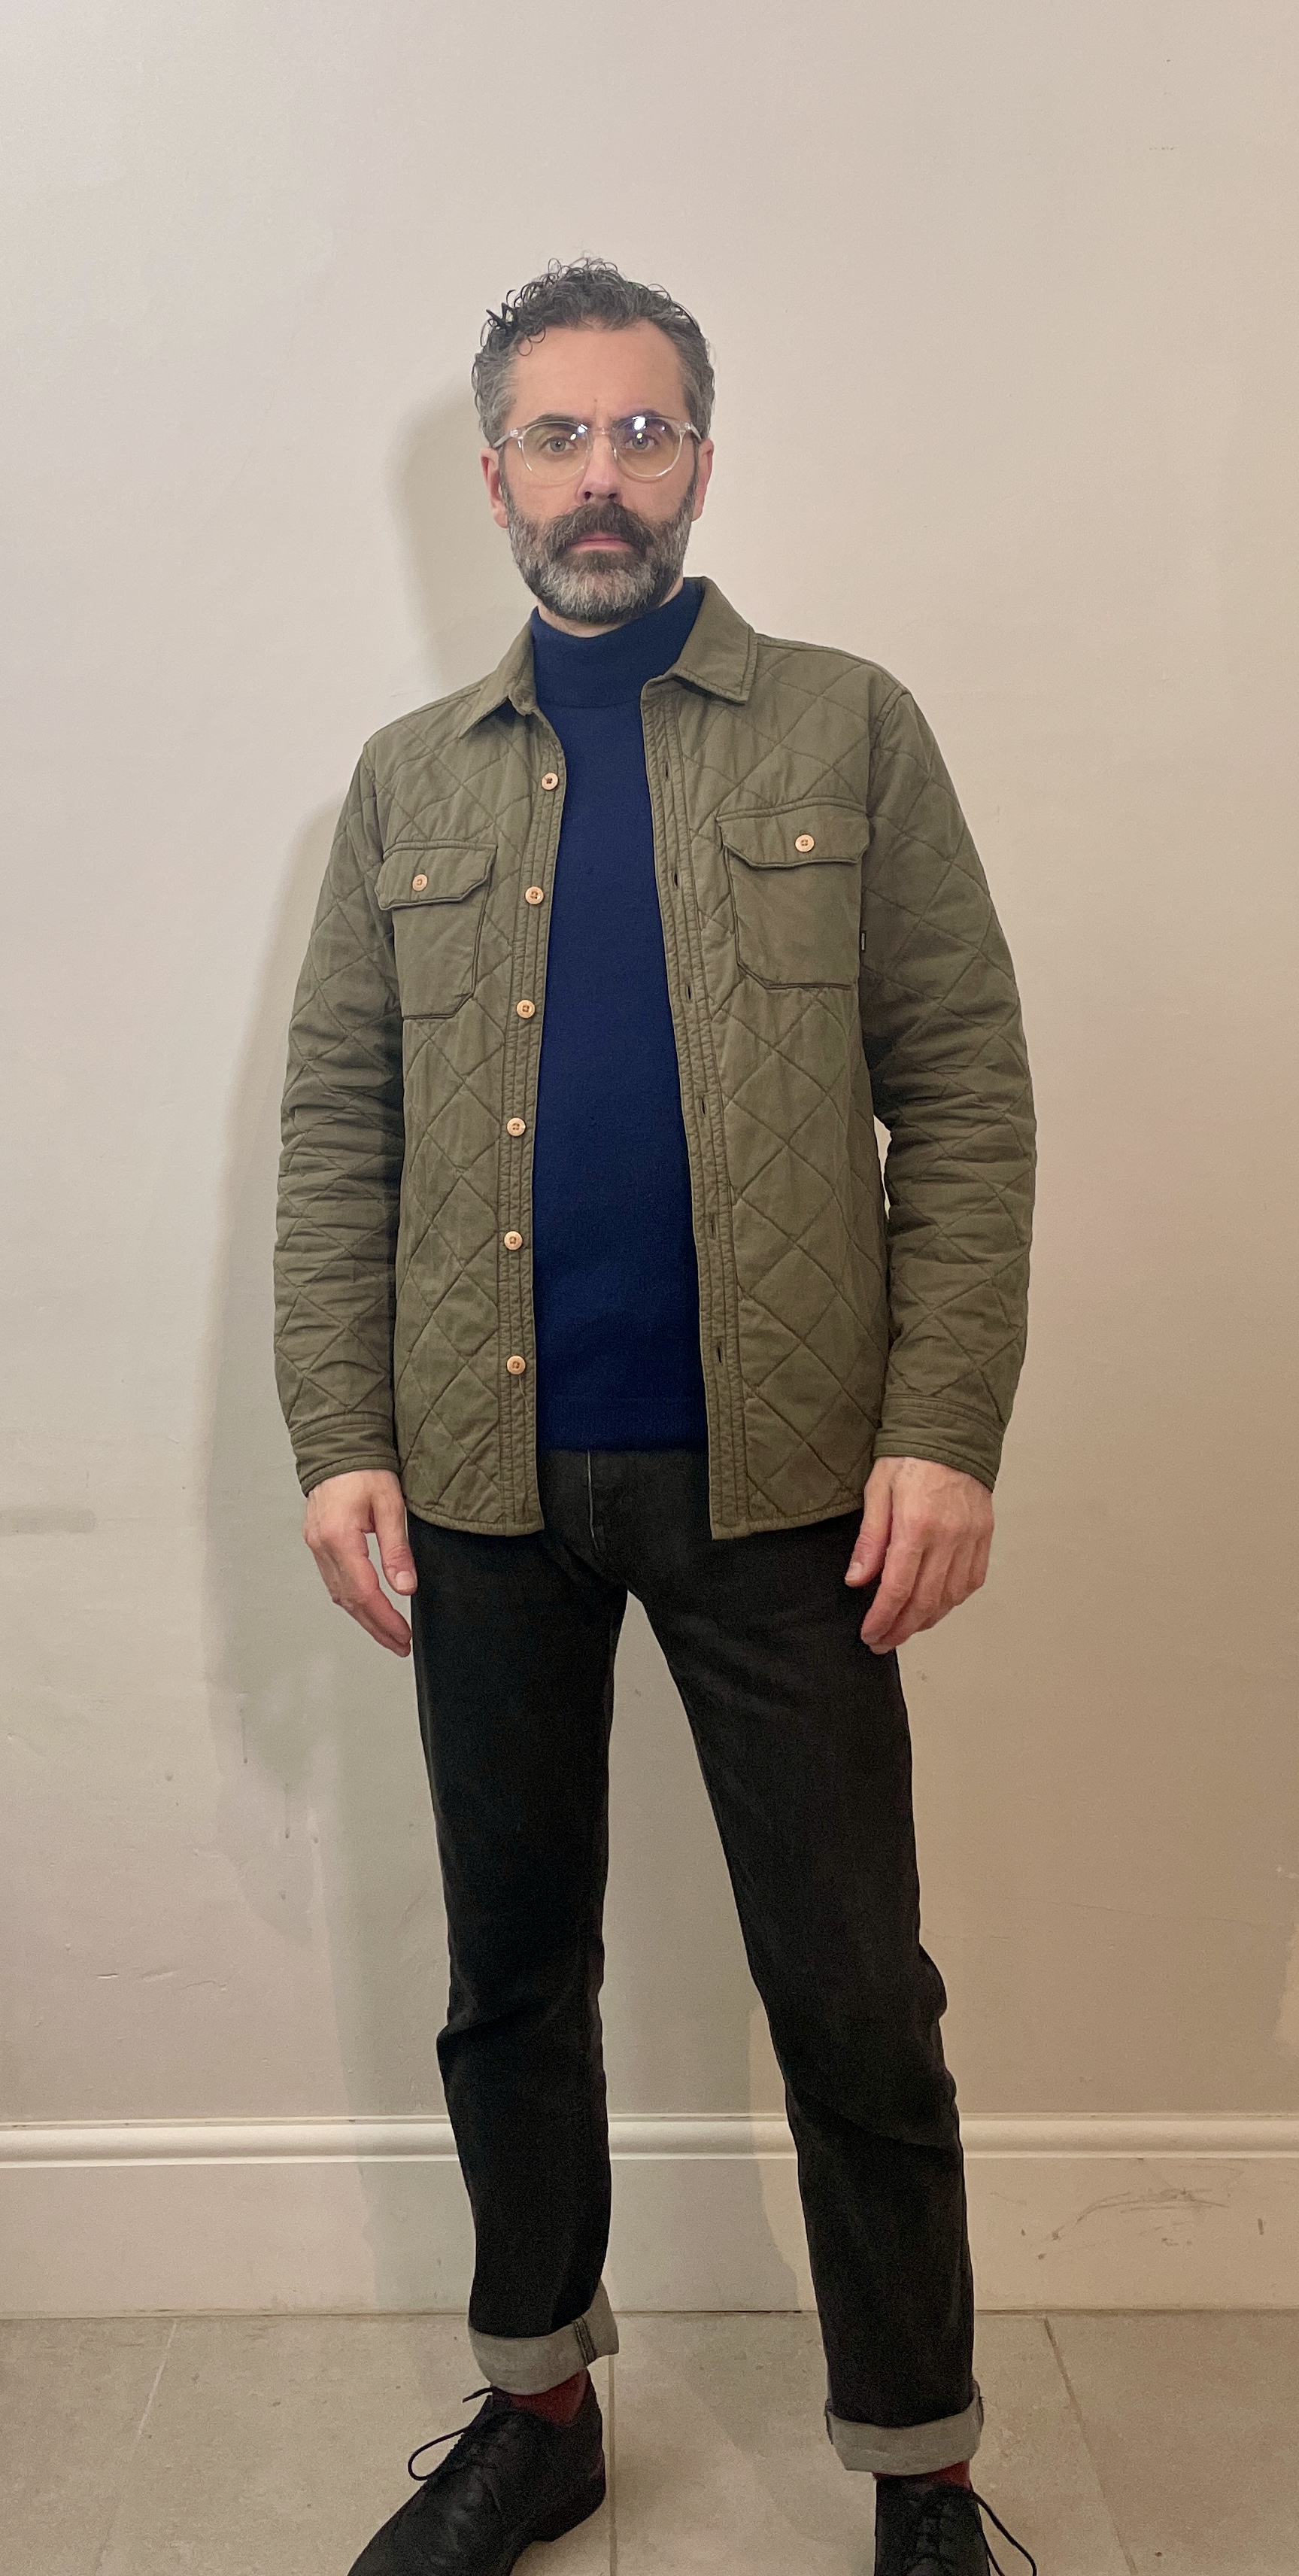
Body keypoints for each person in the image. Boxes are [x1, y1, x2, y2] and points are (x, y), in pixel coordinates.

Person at [275, 258, 1037, 2576]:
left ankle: (922, 2468)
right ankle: (541, 2413)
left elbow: (963, 1093)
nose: (599, 478)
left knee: (856, 1997)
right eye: (557, 437)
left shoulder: (847, 731)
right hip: (483, 1486)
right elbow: (339, 1131)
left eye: (642, 432)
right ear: (495, 476)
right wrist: (338, 1431)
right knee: (514, 1980)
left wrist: (945, 1425)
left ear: (702, 456)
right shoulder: (408, 781)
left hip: (788, 1484)